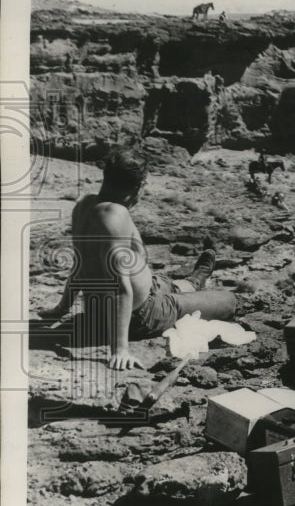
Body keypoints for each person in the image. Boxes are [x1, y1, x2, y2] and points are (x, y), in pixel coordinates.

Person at [39, 147, 236, 370]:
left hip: (111, 305)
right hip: (140, 315)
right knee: (229, 302)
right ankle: (188, 289)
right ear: (139, 185)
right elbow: (120, 287)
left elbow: (81, 263)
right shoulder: (115, 216)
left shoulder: (85, 205)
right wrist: (119, 350)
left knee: (169, 284)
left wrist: (62, 307)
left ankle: (193, 281)